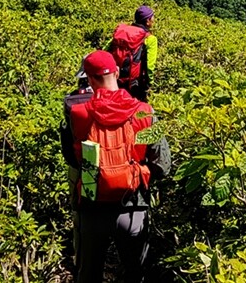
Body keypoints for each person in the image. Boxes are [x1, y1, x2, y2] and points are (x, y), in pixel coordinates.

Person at [62, 50, 171, 283]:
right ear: (117, 73)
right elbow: (164, 164)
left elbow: (71, 159)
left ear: (89, 79)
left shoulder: (77, 114)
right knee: (135, 274)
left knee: (88, 275)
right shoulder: (145, 111)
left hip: (91, 207)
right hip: (133, 207)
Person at [108, 5, 158, 102]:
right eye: (152, 17)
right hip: (135, 83)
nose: (154, 19)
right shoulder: (150, 39)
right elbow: (150, 66)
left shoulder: (122, 31)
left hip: (114, 78)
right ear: (148, 21)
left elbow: (105, 50)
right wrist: (150, 84)